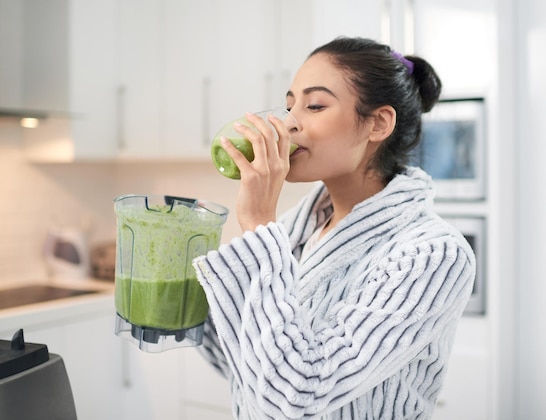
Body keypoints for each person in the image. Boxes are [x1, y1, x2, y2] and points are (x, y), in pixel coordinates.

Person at [192, 36, 476, 419]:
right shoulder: (300, 229)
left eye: (314, 105)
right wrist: (180, 308)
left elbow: (300, 392)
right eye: (290, 105)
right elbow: (250, 372)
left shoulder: (433, 254)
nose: (287, 123)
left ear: (377, 123)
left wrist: (258, 223)